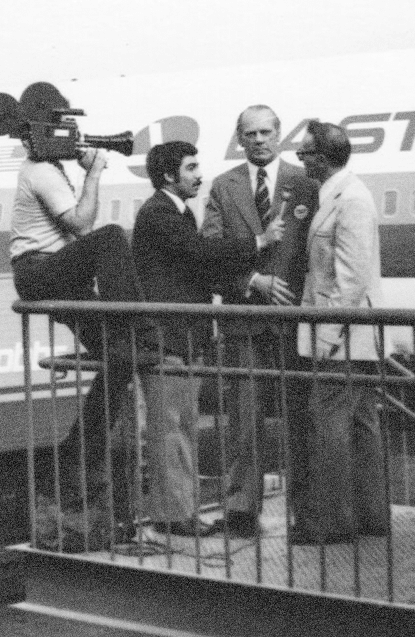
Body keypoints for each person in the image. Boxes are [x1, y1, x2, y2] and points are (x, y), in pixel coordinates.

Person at [131, 141, 284, 538]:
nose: (199, 175)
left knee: (179, 426)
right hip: (169, 339)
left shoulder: (176, 212)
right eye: (191, 168)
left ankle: (178, 511)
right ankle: (174, 515)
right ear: (169, 176)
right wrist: (258, 242)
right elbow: (199, 254)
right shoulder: (159, 214)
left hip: (183, 337)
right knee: (171, 428)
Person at [10, 131, 156, 489]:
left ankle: (75, 460)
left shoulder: (50, 168)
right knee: (111, 236)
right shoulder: (41, 170)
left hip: (56, 275)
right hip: (40, 272)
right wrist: (93, 173)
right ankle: (136, 325)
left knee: (121, 358)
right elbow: (82, 225)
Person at [202, 105, 318, 538]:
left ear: (279, 134)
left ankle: (306, 510)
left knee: (301, 420)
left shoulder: (305, 184)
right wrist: (252, 280)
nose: (259, 140)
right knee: (243, 420)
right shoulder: (223, 187)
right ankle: (241, 510)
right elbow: (210, 252)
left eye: (266, 132)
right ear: (239, 137)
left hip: (293, 323)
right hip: (244, 319)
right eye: (250, 134)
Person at [292, 120, 391, 544]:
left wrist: (328, 337)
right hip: (355, 334)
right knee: (360, 425)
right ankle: (370, 517)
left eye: (304, 153)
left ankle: (330, 522)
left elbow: (350, 280)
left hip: (343, 334)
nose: (300, 160)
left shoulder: (350, 199)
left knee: (329, 424)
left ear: (322, 157)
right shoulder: (340, 194)